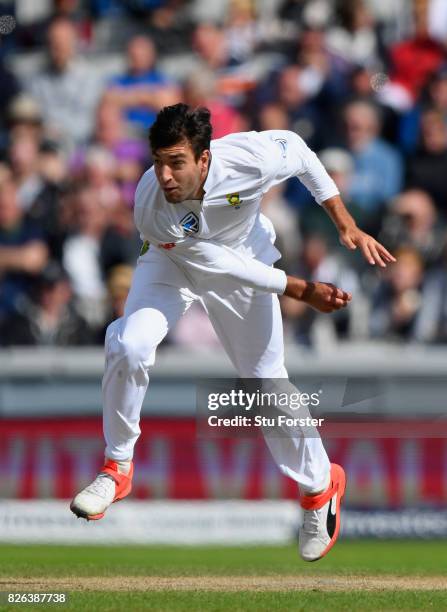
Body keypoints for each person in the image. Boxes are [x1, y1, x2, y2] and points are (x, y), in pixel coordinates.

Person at [70, 104, 395, 562]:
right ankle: (117, 465)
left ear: (204, 159)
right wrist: (299, 289)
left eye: (176, 162)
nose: (164, 174)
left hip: (246, 253)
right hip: (173, 264)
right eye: (158, 160)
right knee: (129, 342)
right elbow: (210, 263)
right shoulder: (150, 202)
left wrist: (344, 221)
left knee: (266, 382)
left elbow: (300, 152)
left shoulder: (249, 157)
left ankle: (321, 488)